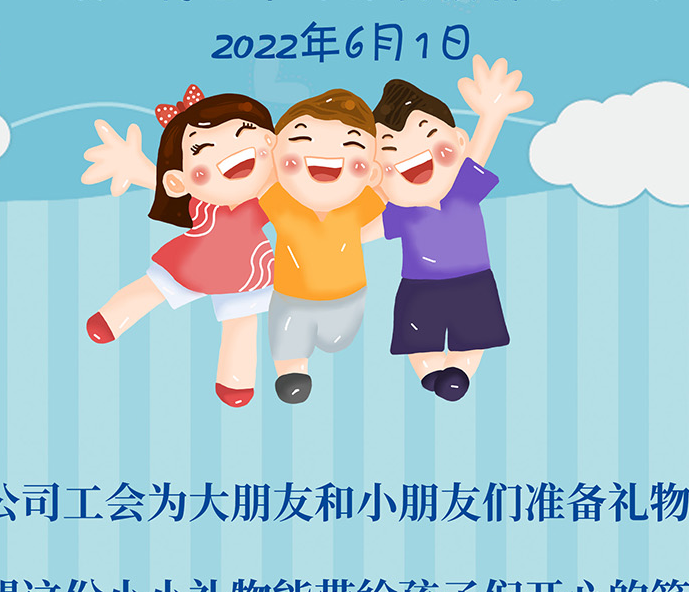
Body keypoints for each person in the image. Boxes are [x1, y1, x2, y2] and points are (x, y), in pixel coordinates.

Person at [82, 86, 275, 407]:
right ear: (179, 181)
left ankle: (235, 381)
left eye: (245, 136)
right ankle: (111, 318)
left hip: (247, 272)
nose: (232, 155)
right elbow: (157, 179)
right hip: (193, 261)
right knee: (154, 287)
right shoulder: (199, 200)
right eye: (203, 151)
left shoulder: (269, 199)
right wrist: (134, 165)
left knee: (241, 322)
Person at [375, 50, 531, 397]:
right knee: (418, 344)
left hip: (474, 283)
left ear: (460, 141)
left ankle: (459, 371)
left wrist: (493, 113)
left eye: (429, 137)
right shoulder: (400, 208)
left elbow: (481, 149)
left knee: (474, 339)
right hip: (419, 288)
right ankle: (430, 373)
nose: (411, 160)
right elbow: (361, 232)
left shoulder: (464, 186)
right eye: (391, 154)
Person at [264, 89, 385, 403]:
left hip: (348, 297)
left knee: (337, 340)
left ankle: (329, 341)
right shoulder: (277, 198)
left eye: (351, 147)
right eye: (301, 141)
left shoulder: (361, 202)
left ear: (371, 172)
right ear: (275, 162)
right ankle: (292, 373)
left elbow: (388, 205)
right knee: (287, 341)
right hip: (290, 296)